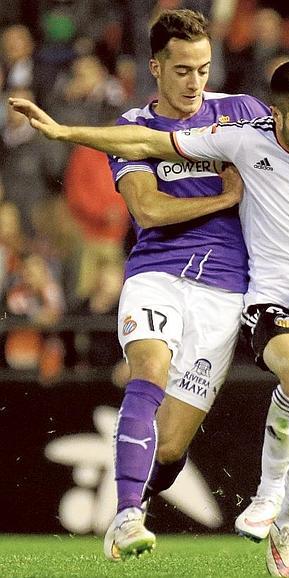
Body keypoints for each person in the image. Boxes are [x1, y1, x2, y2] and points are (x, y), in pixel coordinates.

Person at [11, 58, 289, 577]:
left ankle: (286, 519)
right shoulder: (243, 138)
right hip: (271, 299)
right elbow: (147, 143)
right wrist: (64, 131)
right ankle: (263, 498)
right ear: (279, 117)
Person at [11, 8, 270, 562]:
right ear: (155, 67)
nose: (195, 82)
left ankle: (134, 497)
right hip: (157, 275)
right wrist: (224, 198)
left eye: (203, 68)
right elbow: (148, 211)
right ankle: (128, 516)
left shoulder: (243, 114)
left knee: (172, 446)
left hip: (226, 292)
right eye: (182, 70)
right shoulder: (132, 128)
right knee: (147, 372)